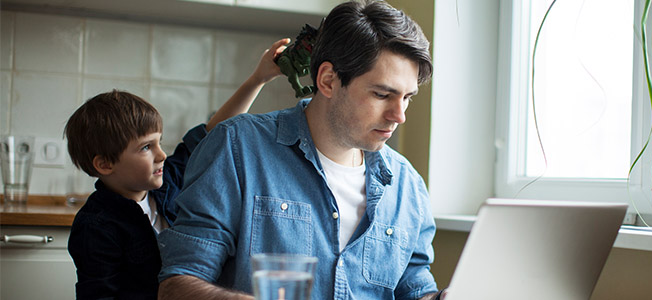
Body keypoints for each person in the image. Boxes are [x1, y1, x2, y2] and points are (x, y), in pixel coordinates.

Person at [157, 1, 444, 299]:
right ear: (328, 80)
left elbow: (415, 288)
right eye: (382, 94)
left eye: (407, 97)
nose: (399, 115)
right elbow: (176, 286)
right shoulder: (238, 147)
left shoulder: (406, 184)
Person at [64, 38, 289, 300]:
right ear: (105, 164)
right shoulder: (95, 226)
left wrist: (257, 80)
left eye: (159, 142)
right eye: (146, 148)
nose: (161, 155)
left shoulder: (168, 178)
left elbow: (211, 133)